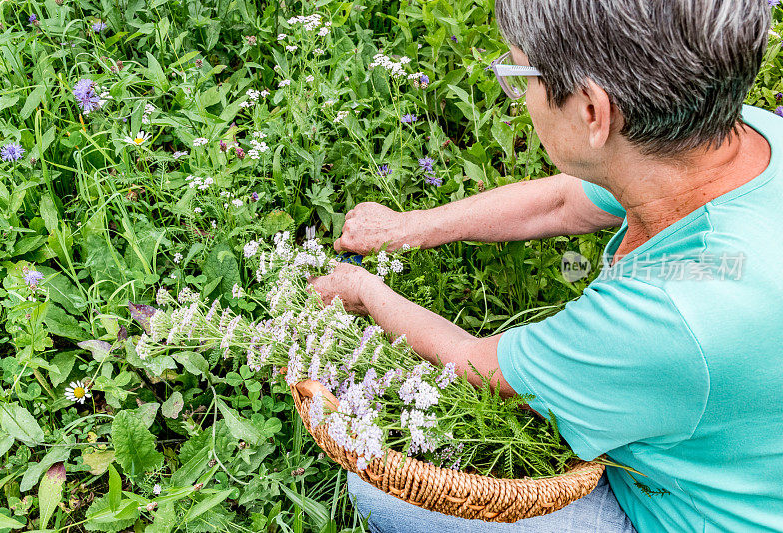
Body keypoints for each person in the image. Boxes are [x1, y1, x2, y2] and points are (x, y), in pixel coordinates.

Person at [310, 0, 783, 531]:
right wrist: (405, 228)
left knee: (379, 488)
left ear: (591, 111)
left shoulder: (668, 314)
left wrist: (366, 293)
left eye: (520, 74)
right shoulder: (739, 134)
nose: (520, 98)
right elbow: (565, 202)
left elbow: (479, 366)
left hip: (681, 514)